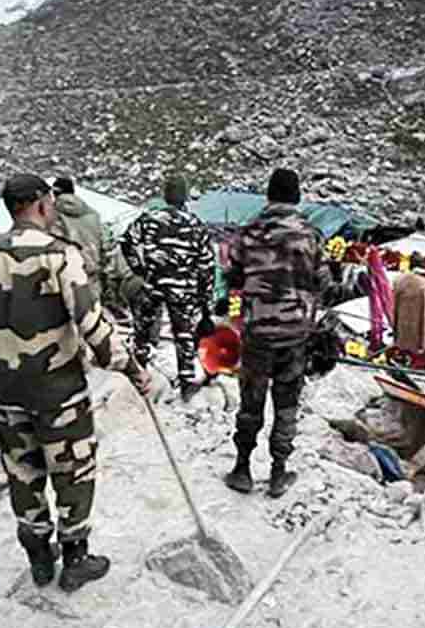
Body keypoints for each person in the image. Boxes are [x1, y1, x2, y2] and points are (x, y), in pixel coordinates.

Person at [0, 174, 153, 591]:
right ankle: (76, 558)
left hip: (8, 392)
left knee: (23, 472)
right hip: (59, 392)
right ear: (42, 205)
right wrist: (132, 368)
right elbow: (92, 325)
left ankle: (39, 560)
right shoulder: (59, 256)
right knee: (73, 469)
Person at [223, 168, 329, 498]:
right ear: (296, 197)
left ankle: (242, 468)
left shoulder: (249, 231)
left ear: (268, 195)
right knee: (286, 404)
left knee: (250, 402)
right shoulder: (310, 234)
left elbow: (233, 277)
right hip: (295, 334)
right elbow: (323, 281)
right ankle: (278, 473)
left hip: (258, 333)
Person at [121, 176, 216, 400]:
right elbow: (206, 264)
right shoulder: (195, 224)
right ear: (184, 196)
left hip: (153, 283)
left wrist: (140, 269)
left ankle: (139, 372)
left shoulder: (148, 219)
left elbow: (126, 241)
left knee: (142, 331)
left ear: (165, 195)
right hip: (183, 288)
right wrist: (205, 299)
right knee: (184, 335)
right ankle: (186, 383)